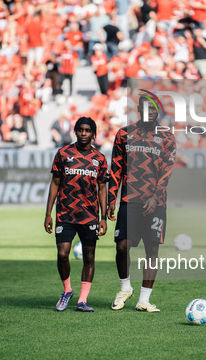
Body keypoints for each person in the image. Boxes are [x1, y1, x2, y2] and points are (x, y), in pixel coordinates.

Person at [108, 92, 176, 312]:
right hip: (130, 199)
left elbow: (166, 172)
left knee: (152, 250)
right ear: (138, 110)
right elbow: (116, 168)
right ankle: (125, 287)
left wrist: (155, 196)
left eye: (154, 108)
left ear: (158, 111)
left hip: (156, 203)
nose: (150, 112)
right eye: (146, 108)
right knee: (122, 247)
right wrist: (111, 198)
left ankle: (144, 299)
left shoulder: (166, 137)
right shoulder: (124, 134)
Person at [45, 117, 109, 312]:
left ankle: (82, 300)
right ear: (75, 131)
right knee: (62, 254)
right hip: (65, 213)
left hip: (89, 216)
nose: (83, 133)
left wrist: (103, 217)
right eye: (80, 130)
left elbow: (102, 189)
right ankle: (67, 290)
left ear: (93, 134)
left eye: (87, 130)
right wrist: (48, 213)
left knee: (89, 257)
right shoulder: (63, 154)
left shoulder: (99, 159)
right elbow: (55, 183)